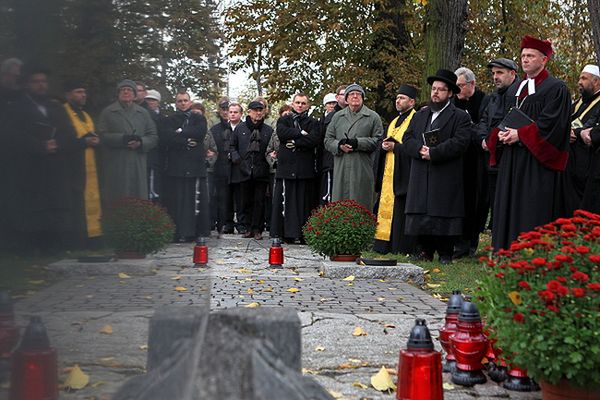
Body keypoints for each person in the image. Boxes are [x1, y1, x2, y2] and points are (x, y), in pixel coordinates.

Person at [486, 36, 571, 251]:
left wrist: (520, 135)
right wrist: (501, 135)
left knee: (530, 208)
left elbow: (552, 125)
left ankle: (531, 255)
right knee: (508, 204)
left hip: (536, 164)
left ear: (544, 60)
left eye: (530, 56)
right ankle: (507, 251)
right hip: (512, 160)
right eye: (523, 56)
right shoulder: (516, 89)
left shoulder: (556, 88)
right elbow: (502, 118)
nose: (525, 60)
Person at [4, 67, 79, 253]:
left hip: (55, 165)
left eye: (43, 81)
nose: (40, 85)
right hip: (29, 166)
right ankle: (31, 246)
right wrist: (39, 145)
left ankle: (54, 245)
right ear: (27, 84)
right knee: (33, 207)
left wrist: (57, 143)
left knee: (55, 206)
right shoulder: (17, 107)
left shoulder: (56, 107)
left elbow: (70, 133)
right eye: (36, 81)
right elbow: (11, 135)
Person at [403, 69, 473, 264]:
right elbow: (407, 138)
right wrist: (419, 150)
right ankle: (424, 251)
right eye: (434, 89)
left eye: (441, 90)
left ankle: (445, 253)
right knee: (421, 213)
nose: (435, 93)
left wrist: (434, 153)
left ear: (450, 93)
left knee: (443, 213)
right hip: (420, 172)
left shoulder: (460, 116)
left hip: (444, 173)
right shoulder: (420, 115)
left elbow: (460, 142)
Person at [161, 90, 216, 242]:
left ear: (190, 102)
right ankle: (178, 232)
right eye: (180, 101)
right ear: (176, 103)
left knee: (194, 201)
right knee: (177, 201)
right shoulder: (169, 119)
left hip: (194, 166)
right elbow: (167, 137)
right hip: (176, 166)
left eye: (185, 100)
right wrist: (185, 140)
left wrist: (179, 132)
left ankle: (194, 232)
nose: (183, 103)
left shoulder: (198, 118)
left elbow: (199, 133)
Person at [373, 85, 418, 255]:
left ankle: (399, 246)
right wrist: (383, 148)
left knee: (400, 210)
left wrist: (396, 147)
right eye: (397, 98)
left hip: (404, 174)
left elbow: (413, 147)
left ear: (412, 102)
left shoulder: (416, 119)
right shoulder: (393, 121)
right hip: (389, 172)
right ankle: (383, 244)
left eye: (402, 98)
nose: (398, 101)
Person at [97, 79, 158, 206]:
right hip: (115, 162)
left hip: (137, 162)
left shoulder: (143, 113)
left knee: (137, 199)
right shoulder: (108, 112)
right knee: (117, 199)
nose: (126, 92)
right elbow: (101, 136)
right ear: (118, 93)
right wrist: (122, 139)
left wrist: (141, 142)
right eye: (122, 90)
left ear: (135, 95)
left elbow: (153, 136)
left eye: (129, 90)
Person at [476, 58, 520, 230]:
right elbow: (484, 121)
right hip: (491, 159)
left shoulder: (520, 95)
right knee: (495, 201)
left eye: (499, 73)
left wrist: (497, 139)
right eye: (493, 73)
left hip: (510, 157)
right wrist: (483, 140)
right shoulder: (493, 97)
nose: (495, 77)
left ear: (512, 73)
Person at [270, 93, 321, 243]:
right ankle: (285, 234)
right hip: (286, 168)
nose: (300, 105)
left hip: (304, 169)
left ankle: (304, 234)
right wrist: (300, 133)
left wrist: (296, 142)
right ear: (292, 104)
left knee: (303, 204)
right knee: (286, 203)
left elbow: (313, 139)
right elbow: (282, 133)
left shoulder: (313, 122)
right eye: (297, 102)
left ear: (308, 105)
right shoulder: (284, 120)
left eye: (303, 103)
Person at [324, 83, 383, 210]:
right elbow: (328, 140)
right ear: (346, 98)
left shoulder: (373, 117)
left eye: (358, 94)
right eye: (351, 94)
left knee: (361, 203)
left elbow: (378, 141)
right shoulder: (337, 117)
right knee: (340, 204)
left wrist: (358, 143)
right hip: (341, 166)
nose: (355, 96)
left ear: (362, 97)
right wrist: (339, 145)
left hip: (362, 166)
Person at [453, 67, 489, 258]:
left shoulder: (485, 100)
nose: (457, 89)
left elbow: (485, 125)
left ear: (472, 84)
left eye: (461, 85)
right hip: (457, 160)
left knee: (475, 202)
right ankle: (456, 242)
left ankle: (470, 242)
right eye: (456, 86)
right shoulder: (453, 102)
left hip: (476, 161)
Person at [62, 80, 103, 248]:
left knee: (91, 200)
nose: (83, 95)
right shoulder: (62, 113)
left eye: (84, 92)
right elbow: (63, 139)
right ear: (68, 94)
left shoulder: (85, 114)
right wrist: (84, 141)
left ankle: (92, 237)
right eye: (78, 92)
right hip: (72, 166)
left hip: (90, 163)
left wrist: (95, 139)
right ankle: (75, 240)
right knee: (76, 203)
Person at [230, 101, 272, 239]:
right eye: (255, 110)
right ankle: (247, 227)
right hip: (243, 169)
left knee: (259, 201)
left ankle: (257, 229)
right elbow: (232, 146)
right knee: (245, 201)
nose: (258, 113)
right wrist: (237, 160)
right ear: (249, 112)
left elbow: (271, 148)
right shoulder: (240, 128)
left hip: (261, 170)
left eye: (261, 110)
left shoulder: (267, 130)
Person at [563, 65, 600, 215]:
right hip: (570, 162)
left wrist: (577, 132)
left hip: (589, 165)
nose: (579, 82)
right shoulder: (578, 102)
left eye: (584, 78)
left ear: (596, 81)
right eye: (580, 78)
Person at [210, 101, 236, 236]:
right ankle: (222, 224)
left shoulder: (240, 128)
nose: (226, 112)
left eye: (229, 109)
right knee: (222, 197)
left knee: (237, 197)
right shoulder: (214, 129)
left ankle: (235, 224)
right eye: (224, 109)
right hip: (220, 167)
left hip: (237, 167)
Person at [144, 89, 167, 203]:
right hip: (147, 155)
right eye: (148, 100)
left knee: (155, 188)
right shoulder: (142, 115)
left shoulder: (163, 118)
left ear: (158, 102)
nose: (150, 102)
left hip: (159, 157)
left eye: (153, 100)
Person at [318, 93, 339, 205]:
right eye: (329, 103)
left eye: (334, 103)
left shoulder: (338, 117)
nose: (331, 106)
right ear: (325, 105)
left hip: (332, 160)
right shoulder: (320, 120)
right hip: (324, 160)